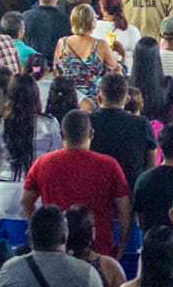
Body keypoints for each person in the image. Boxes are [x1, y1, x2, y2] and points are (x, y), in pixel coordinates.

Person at [24, 110, 131, 261]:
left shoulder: (43, 163)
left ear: (61, 134)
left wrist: (41, 232)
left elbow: (26, 202)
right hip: (98, 251)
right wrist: (122, 243)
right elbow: (124, 207)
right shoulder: (109, 165)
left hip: (56, 250)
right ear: (91, 133)